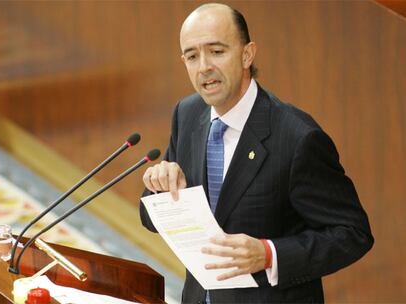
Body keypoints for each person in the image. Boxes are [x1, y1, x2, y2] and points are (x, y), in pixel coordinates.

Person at [140, 3, 373, 303]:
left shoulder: (298, 138)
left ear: (247, 54)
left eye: (217, 51)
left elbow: (353, 234)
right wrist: (160, 189)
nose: (204, 67)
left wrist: (268, 254)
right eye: (192, 56)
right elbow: (151, 217)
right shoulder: (187, 114)